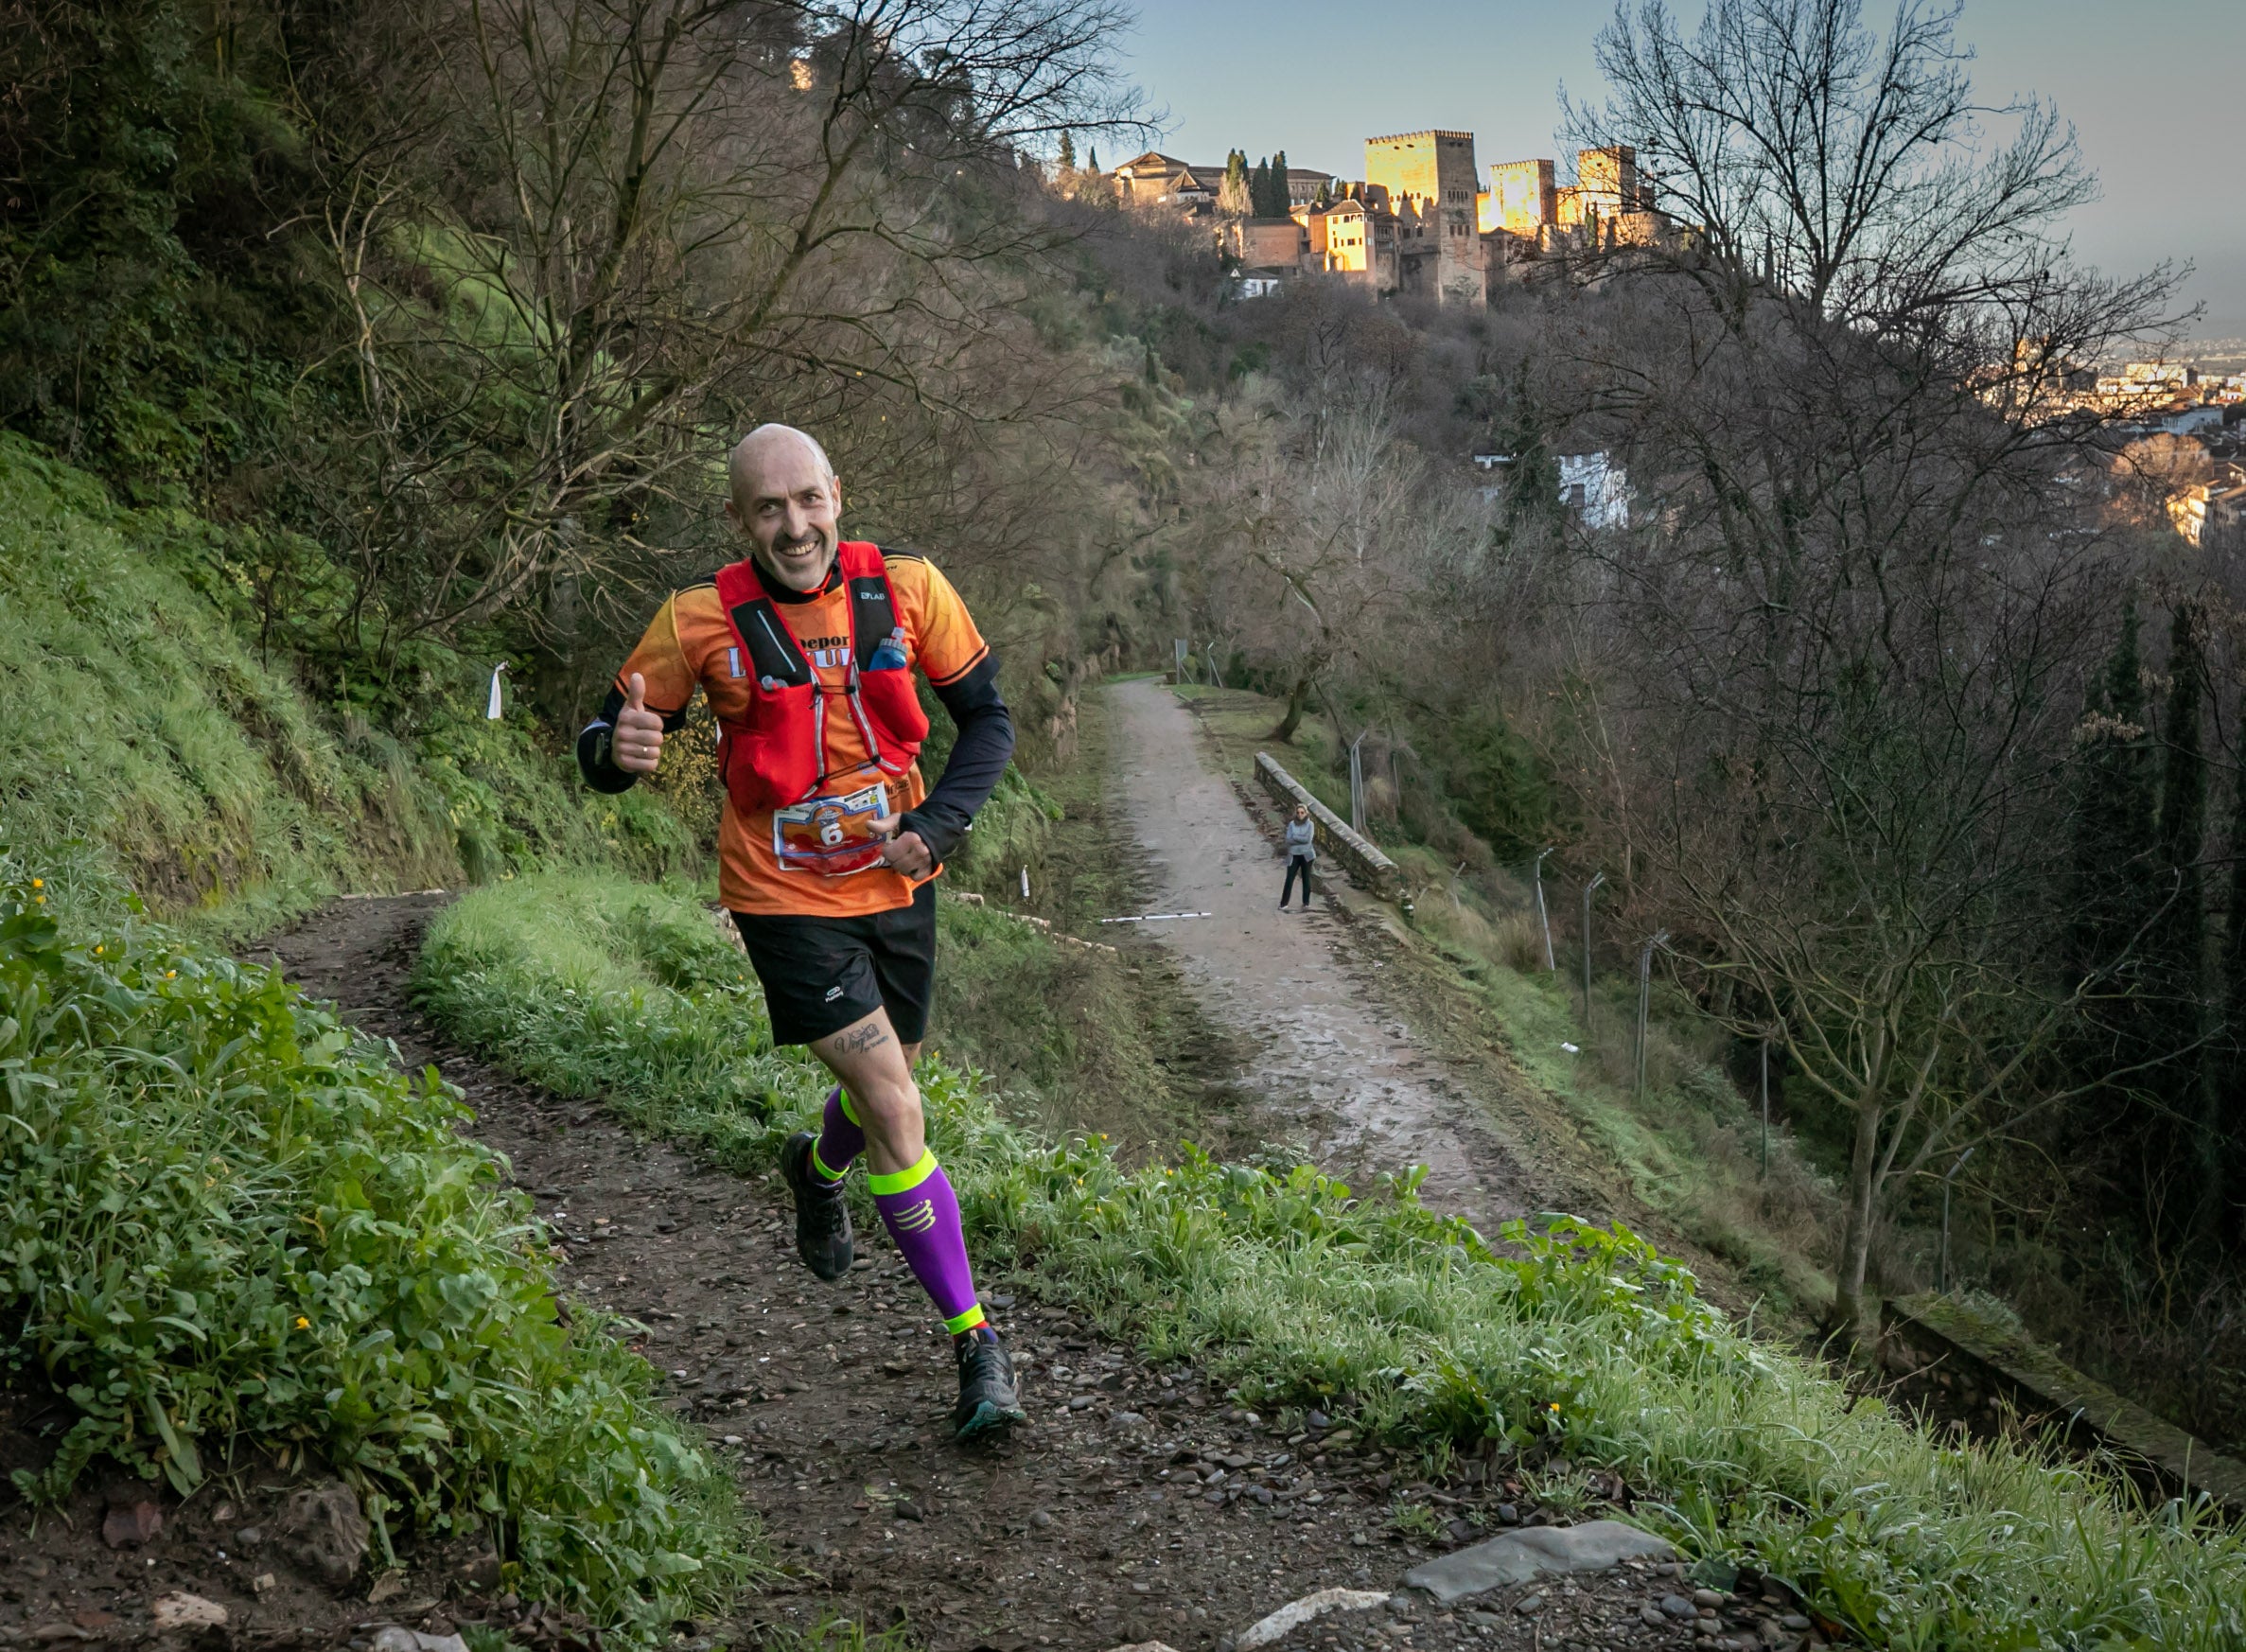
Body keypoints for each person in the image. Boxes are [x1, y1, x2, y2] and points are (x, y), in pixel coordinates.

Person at [576, 423, 1026, 1438]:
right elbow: (607, 734)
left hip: (900, 885)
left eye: (808, 501)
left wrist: (937, 822)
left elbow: (987, 719)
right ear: (739, 521)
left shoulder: (909, 588)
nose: (794, 526)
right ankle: (977, 1345)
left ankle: (817, 1173)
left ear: (838, 495)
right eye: (768, 509)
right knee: (896, 1108)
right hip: (779, 898)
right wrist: (619, 751)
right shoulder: (697, 620)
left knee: (883, 1093)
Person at [1281, 802, 1316, 909]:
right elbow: (1288, 840)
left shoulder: (1310, 824)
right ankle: (1283, 904)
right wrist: (1300, 838)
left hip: (1307, 855)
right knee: (1289, 879)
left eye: (1302, 812)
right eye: (1298, 812)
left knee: (1306, 879)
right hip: (1293, 855)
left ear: (1306, 813)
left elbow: (1308, 840)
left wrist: (1295, 837)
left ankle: (1306, 903)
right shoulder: (1292, 824)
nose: (1300, 814)